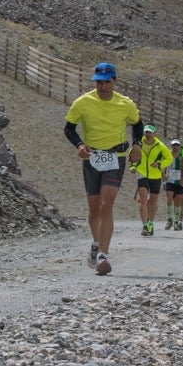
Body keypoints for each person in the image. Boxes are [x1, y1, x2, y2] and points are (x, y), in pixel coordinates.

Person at [64, 61, 143, 276]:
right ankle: (96, 242)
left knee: (106, 205)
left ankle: (102, 256)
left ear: (115, 81)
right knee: (94, 209)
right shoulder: (83, 102)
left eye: (107, 82)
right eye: (99, 82)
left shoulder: (125, 103)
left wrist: (137, 145)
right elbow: (69, 128)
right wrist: (80, 145)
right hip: (92, 158)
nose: (103, 87)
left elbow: (137, 124)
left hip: (116, 157)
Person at [132, 125, 172, 236]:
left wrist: (159, 164)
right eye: (146, 132)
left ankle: (150, 223)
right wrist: (133, 166)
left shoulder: (160, 146)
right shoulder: (138, 143)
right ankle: (144, 225)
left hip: (155, 175)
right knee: (143, 199)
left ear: (154, 133)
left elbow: (169, 159)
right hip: (142, 173)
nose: (148, 134)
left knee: (153, 201)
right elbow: (132, 155)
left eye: (150, 132)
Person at [164, 139, 183, 230]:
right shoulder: (168, 154)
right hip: (170, 180)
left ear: (180, 146)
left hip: (180, 181)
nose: (175, 147)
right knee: (169, 197)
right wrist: (163, 181)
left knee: (178, 202)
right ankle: (169, 219)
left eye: (177, 145)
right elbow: (165, 167)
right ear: (171, 146)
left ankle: (177, 221)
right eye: (174, 145)